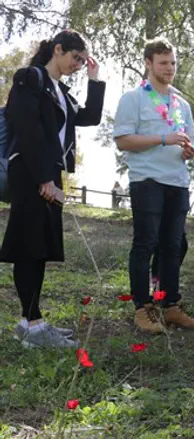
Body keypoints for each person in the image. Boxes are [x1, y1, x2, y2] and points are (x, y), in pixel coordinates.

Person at [1, 30, 105, 348]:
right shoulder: (29, 78)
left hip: (50, 175)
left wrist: (95, 78)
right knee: (28, 245)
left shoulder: (61, 91)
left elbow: (90, 117)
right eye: (75, 58)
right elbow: (27, 128)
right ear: (57, 50)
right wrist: (43, 178)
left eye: (81, 60)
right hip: (30, 172)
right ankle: (33, 325)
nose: (77, 64)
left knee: (41, 248)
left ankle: (30, 321)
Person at [113, 37, 194, 333]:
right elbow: (123, 140)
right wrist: (163, 139)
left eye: (173, 63)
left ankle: (171, 306)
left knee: (173, 246)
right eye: (163, 62)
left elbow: (188, 142)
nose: (170, 68)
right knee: (145, 244)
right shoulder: (133, 98)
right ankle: (142, 308)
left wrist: (189, 152)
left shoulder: (182, 104)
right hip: (147, 181)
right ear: (148, 63)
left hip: (178, 182)